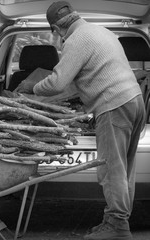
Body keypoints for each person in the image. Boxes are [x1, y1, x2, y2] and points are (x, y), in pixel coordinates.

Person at [15, 1, 146, 240]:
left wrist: (31, 86)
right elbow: (82, 80)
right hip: (134, 100)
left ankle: (118, 226)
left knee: (111, 168)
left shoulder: (76, 41)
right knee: (124, 166)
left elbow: (57, 83)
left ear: (56, 28)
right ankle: (113, 220)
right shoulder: (101, 31)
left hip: (114, 105)